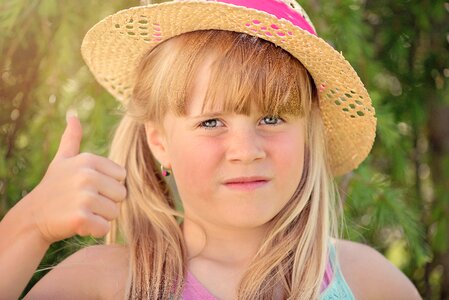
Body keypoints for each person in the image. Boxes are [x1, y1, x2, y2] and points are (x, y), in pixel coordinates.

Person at [0, 0, 422, 299]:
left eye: (272, 119)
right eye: (211, 122)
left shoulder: (368, 283)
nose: (246, 150)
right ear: (159, 141)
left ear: (309, 135)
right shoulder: (108, 284)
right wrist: (32, 225)